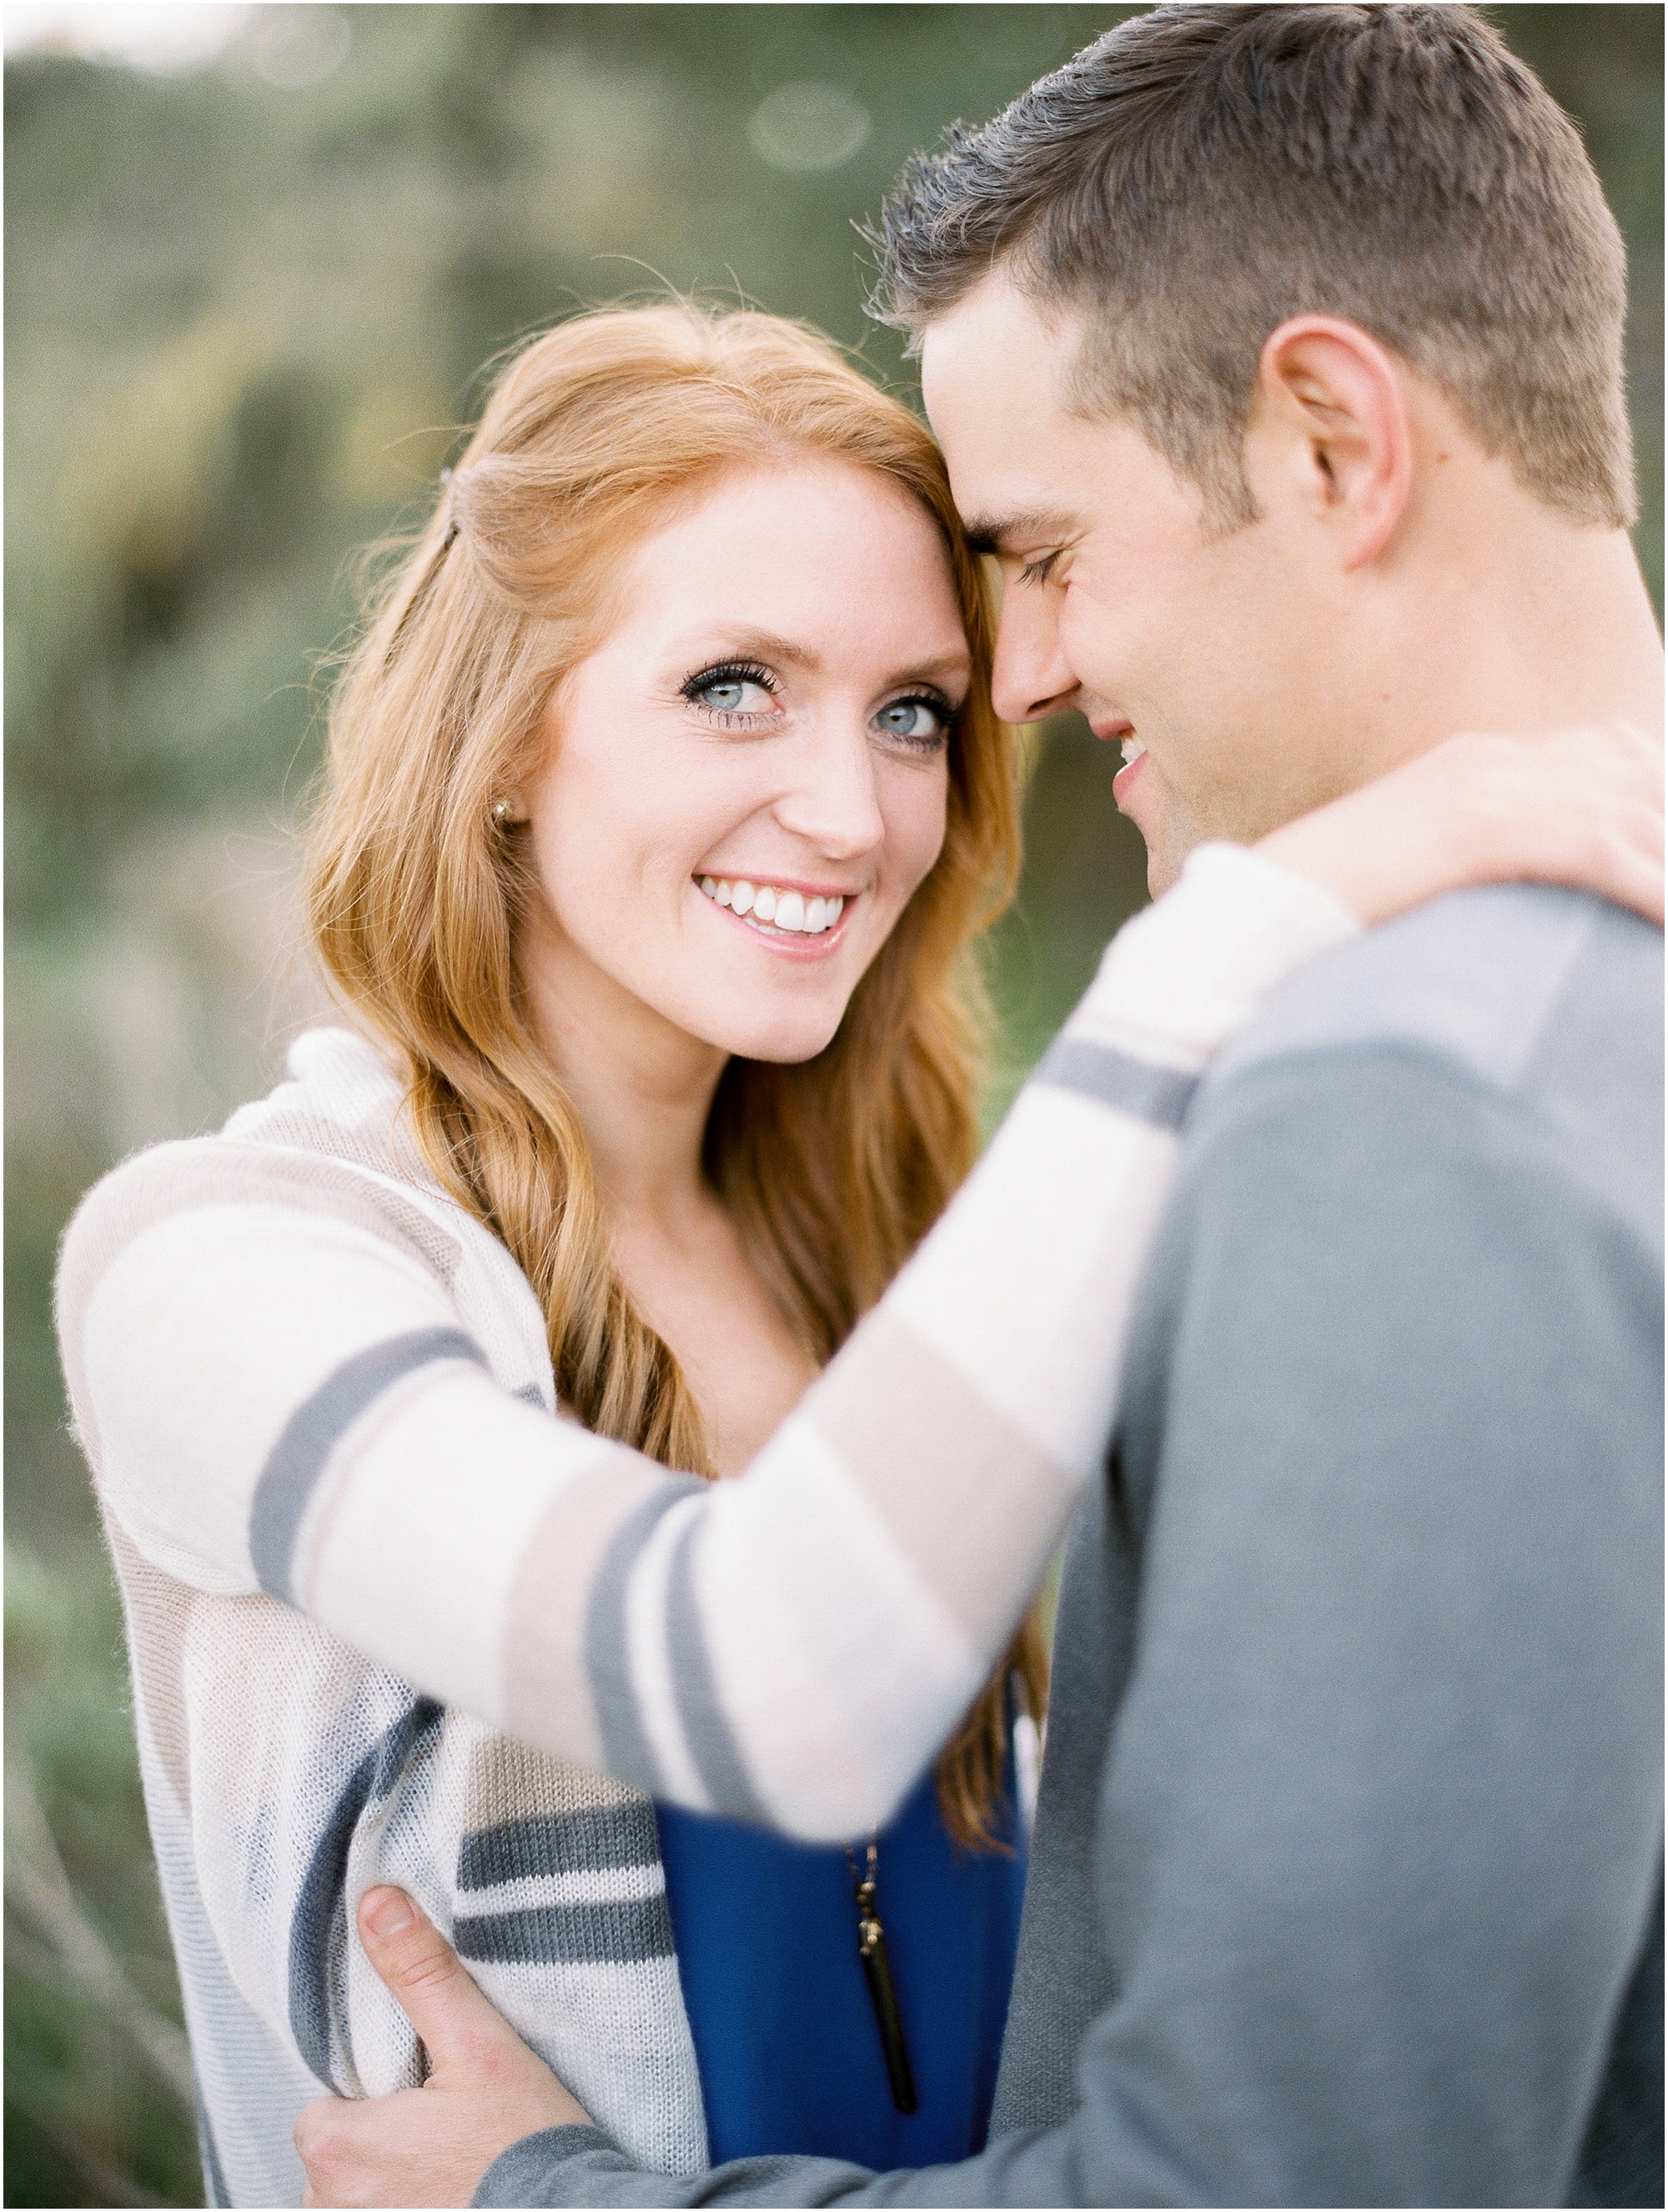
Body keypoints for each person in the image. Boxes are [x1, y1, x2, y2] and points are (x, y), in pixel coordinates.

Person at [280, 5, 1664, 2208]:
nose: (1020, 686)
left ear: (1330, 445)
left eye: (1040, 556)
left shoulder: (1401, 1116)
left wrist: (542, 2202)